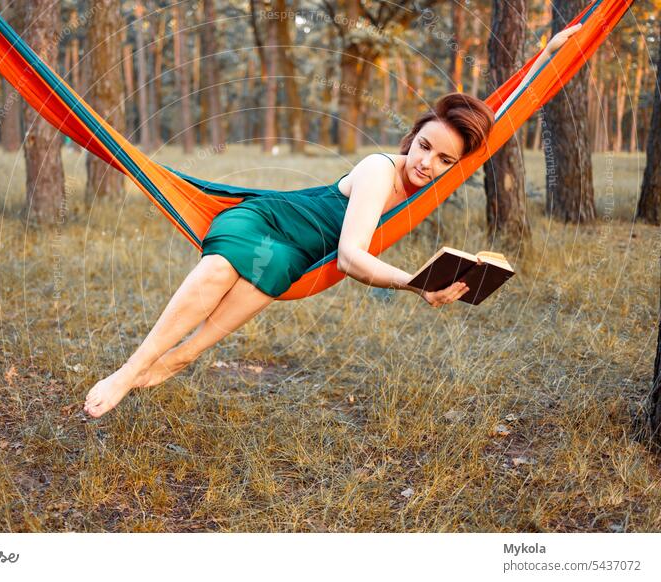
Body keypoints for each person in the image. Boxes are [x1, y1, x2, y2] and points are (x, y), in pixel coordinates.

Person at [83, 24, 583, 418]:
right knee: (220, 270)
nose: (426, 164)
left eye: (443, 160)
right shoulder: (380, 169)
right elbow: (349, 258)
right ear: (414, 137)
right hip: (266, 220)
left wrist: (548, 55)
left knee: (273, 273)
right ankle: (130, 370)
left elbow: (498, 119)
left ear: (456, 165)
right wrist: (414, 283)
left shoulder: (434, 178)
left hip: (297, 255)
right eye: (425, 146)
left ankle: (182, 355)